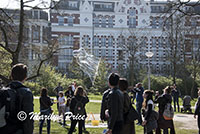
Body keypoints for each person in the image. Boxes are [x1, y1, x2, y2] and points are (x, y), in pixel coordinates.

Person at [0, 63, 34, 134]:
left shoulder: (3, 91)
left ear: (11, 76)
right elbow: (28, 117)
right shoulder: (26, 92)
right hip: (18, 130)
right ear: (25, 77)